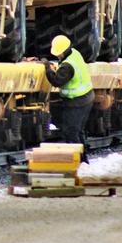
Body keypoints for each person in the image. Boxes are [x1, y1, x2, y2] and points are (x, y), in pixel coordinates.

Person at [45, 34, 95, 162]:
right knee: (78, 131)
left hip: (77, 102)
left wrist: (48, 68)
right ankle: (83, 160)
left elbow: (56, 81)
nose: (57, 56)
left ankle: (77, 161)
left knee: (70, 132)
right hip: (86, 98)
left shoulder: (68, 66)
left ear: (64, 51)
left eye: (59, 53)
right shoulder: (74, 53)